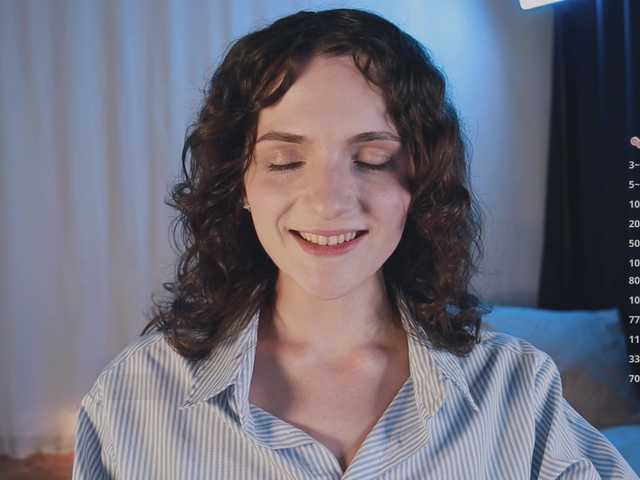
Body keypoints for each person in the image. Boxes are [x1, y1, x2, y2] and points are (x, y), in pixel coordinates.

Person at [72, 8, 638, 480]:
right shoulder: (132, 398)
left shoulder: (516, 391)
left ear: (419, 182)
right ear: (239, 183)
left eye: (372, 159)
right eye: (285, 161)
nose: (329, 202)